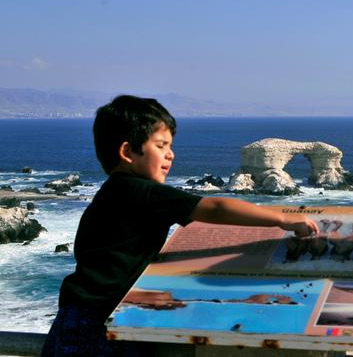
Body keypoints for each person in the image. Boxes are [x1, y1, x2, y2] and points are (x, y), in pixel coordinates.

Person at [41, 95, 319, 356]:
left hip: (73, 316)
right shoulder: (144, 193)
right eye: (161, 146)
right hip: (106, 322)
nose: (171, 155)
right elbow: (215, 207)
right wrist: (283, 220)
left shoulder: (109, 194)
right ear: (128, 152)